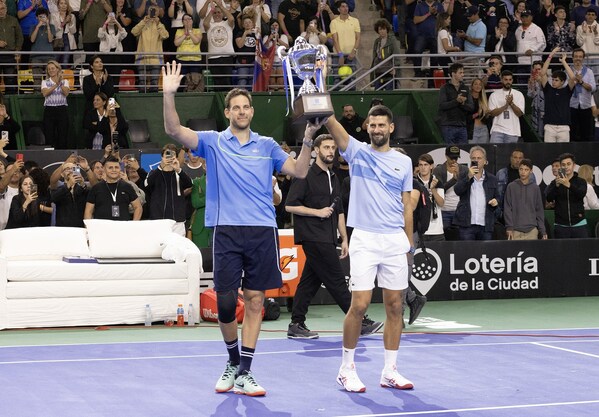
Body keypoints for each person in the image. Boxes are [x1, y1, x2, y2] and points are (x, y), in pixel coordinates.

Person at [162, 61, 314, 396]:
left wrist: (307, 139)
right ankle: (232, 360)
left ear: (251, 111)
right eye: (236, 107)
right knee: (228, 303)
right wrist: (168, 94)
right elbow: (174, 130)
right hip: (226, 230)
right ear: (228, 112)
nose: (241, 111)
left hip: (262, 231)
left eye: (246, 107)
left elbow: (300, 171)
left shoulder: (268, 146)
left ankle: (245, 371)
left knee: (257, 300)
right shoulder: (213, 142)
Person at [322, 104, 415, 393]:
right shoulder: (357, 151)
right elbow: (331, 122)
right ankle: (346, 369)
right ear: (367, 127)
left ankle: (390, 370)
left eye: (381, 125)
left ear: (391, 128)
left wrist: (408, 244)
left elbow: (406, 206)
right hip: (364, 238)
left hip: (394, 240)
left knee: (395, 306)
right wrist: (317, 89)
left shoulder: (404, 162)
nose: (376, 129)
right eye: (372, 125)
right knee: (359, 305)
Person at [285, 133, 383, 340]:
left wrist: (344, 237)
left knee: (309, 282)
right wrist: (317, 212)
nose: (330, 151)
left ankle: (296, 323)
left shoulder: (333, 177)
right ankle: (360, 321)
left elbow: (338, 209)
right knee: (337, 280)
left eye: (333, 148)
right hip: (313, 236)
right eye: (326, 147)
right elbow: (290, 205)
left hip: (328, 237)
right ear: (316, 151)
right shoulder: (304, 175)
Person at [453, 145, 499, 241]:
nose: (476, 160)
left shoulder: (492, 179)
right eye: (474, 158)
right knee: (467, 253)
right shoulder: (464, 175)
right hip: (467, 224)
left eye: (479, 158)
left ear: (485, 161)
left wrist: (496, 201)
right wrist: (468, 177)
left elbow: (498, 198)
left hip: (486, 224)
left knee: (485, 254)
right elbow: (457, 191)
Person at [145, 144, 193, 236]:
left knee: (178, 248)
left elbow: (189, 184)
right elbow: (146, 185)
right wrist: (160, 168)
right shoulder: (154, 173)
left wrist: (178, 169)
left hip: (177, 221)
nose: (169, 157)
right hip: (158, 220)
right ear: (162, 157)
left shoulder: (179, 173)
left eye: (172, 154)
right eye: (167, 154)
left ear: (176, 157)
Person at [84, 156, 143, 220]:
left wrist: (133, 225)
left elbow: (138, 207)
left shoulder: (127, 186)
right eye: (110, 168)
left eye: (116, 167)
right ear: (104, 169)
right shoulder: (96, 188)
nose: (114, 170)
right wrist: (89, 227)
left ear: (120, 169)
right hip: (102, 228)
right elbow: (88, 211)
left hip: (123, 228)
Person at [545, 153, 589, 238]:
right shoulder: (555, 182)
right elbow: (549, 198)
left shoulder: (581, 181)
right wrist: (556, 187)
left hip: (579, 224)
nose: (566, 167)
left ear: (574, 165)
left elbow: (581, 194)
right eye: (563, 165)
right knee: (562, 251)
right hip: (561, 225)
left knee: (582, 251)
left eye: (569, 164)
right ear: (561, 167)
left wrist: (568, 185)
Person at [538, 48, 577, 142]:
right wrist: (551, 55)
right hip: (549, 126)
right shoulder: (548, 89)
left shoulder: (567, 90)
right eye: (553, 79)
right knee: (549, 153)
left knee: (564, 153)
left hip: (564, 127)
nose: (554, 82)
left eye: (556, 80)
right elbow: (542, 73)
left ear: (562, 82)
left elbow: (572, 77)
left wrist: (564, 61)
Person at [504, 158, 547, 240]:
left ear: (531, 171)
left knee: (532, 253)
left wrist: (542, 230)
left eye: (526, 170)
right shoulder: (511, 186)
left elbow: (539, 211)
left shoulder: (535, 188)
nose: (523, 172)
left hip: (532, 231)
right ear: (518, 170)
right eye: (521, 169)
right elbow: (507, 208)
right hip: (515, 231)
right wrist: (509, 227)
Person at [433, 145, 468, 239]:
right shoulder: (438, 170)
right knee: (444, 237)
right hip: (444, 210)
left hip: (459, 210)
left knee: (461, 238)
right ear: (446, 156)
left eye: (456, 158)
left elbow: (465, 189)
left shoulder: (464, 170)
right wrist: (454, 179)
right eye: (451, 158)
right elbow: (438, 190)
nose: (454, 160)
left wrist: (459, 177)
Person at [132, 7, 168, 92]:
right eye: (151, 11)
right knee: (142, 84)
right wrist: (143, 21)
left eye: (155, 11)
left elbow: (165, 36)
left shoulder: (160, 25)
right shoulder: (143, 23)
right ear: (147, 12)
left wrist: (158, 24)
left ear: (158, 13)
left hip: (156, 59)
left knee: (154, 84)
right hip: (142, 58)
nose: (153, 13)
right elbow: (134, 32)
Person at [437, 62, 474, 145]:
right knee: (450, 152)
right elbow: (442, 105)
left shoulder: (465, 88)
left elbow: (471, 107)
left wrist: (462, 103)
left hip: (462, 126)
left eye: (463, 72)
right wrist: (456, 101)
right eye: (460, 73)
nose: (463, 75)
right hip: (448, 126)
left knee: (463, 152)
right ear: (453, 74)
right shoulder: (444, 88)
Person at [203, 0, 235, 91]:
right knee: (217, 82)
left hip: (227, 57)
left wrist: (221, 6)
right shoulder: (210, 25)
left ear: (222, 14)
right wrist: (211, 10)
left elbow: (232, 18)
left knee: (227, 81)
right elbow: (205, 23)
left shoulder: (227, 24)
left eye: (219, 13)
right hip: (213, 58)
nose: (217, 14)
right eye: (215, 13)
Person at [487, 70, 525, 143]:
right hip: (497, 130)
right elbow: (492, 113)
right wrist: (506, 106)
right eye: (506, 79)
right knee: (495, 153)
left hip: (513, 131)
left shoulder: (519, 94)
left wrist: (511, 104)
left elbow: (520, 114)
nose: (508, 82)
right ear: (501, 80)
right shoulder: (494, 95)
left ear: (512, 80)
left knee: (510, 154)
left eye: (510, 80)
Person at [415, 153, 445, 240]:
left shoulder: (437, 182)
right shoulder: (414, 182)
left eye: (426, 165)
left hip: (436, 230)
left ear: (431, 166)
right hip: (419, 228)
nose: (423, 167)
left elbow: (441, 203)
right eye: (420, 165)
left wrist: (433, 189)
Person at [569, 48, 596, 142]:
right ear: (572, 58)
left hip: (586, 106)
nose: (578, 59)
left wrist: (581, 82)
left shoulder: (589, 72)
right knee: (572, 134)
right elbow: (565, 88)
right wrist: (573, 80)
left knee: (586, 135)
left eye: (580, 57)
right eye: (576, 56)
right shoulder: (568, 71)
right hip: (572, 106)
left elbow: (593, 88)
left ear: (583, 58)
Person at [330, 1, 361, 85]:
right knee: (337, 81)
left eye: (346, 6)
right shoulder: (334, 22)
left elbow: (358, 38)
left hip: (351, 54)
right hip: (338, 55)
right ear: (338, 9)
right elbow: (335, 40)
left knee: (352, 81)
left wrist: (354, 51)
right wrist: (340, 54)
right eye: (343, 7)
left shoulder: (355, 21)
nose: (345, 8)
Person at [41, 60, 70, 149]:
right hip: (49, 110)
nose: (51, 70)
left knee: (63, 134)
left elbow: (66, 93)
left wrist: (59, 83)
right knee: (49, 135)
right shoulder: (45, 82)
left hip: (62, 110)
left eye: (53, 68)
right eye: (49, 69)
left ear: (58, 69)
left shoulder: (65, 81)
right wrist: (55, 85)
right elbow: (45, 93)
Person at [413, 0, 443, 78]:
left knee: (435, 54)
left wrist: (436, 13)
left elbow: (443, 21)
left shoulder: (439, 5)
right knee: (417, 51)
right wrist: (429, 14)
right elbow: (415, 20)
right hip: (422, 35)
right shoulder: (419, 5)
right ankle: (417, 73)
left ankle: (433, 75)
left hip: (435, 35)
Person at [515, 10, 546, 83]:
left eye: (527, 16)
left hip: (533, 61)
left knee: (534, 83)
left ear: (531, 17)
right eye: (523, 17)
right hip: (521, 62)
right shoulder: (518, 30)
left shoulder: (537, 29)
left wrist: (532, 49)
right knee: (521, 82)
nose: (524, 19)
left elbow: (542, 43)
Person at [174, 13, 202, 91]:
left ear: (192, 21)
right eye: (185, 20)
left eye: (189, 19)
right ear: (182, 22)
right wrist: (184, 35)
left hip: (195, 60)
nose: (187, 21)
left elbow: (196, 41)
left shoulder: (197, 31)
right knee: (182, 82)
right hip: (181, 59)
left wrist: (190, 31)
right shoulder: (179, 31)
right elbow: (176, 43)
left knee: (194, 82)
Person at [0, 2, 24, 95]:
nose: (0, 11)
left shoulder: (13, 20)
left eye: (2, 9)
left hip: (10, 54)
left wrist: (17, 51)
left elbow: (20, 37)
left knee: (11, 79)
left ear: (6, 9)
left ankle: (11, 100)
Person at [370, 18, 399, 90]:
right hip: (378, 72)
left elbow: (396, 55)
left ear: (387, 29)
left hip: (389, 72)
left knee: (389, 93)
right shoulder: (377, 41)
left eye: (383, 29)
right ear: (377, 31)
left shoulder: (392, 41)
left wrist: (395, 68)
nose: (382, 31)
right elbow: (374, 57)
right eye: (380, 29)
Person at [51, 0, 77, 67]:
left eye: (65, 3)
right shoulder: (54, 15)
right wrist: (64, 22)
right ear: (58, 5)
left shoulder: (72, 16)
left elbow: (73, 31)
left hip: (67, 39)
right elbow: (54, 30)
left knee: (65, 61)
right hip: (58, 39)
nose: (63, 5)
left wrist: (70, 22)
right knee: (55, 60)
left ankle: (64, 76)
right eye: (61, 3)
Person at [469, 78, 489, 143]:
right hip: (472, 129)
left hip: (483, 128)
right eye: (476, 84)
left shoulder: (484, 99)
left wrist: (487, 113)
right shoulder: (468, 99)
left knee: (484, 151)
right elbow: (466, 117)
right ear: (472, 86)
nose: (478, 86)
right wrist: (478, 113)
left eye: (480, 84)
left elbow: (487, 117)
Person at [528, 60, 544, 138]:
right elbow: (530, 95)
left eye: (539, 69)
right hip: (535, 108)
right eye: (535, 69)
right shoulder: (532, 80)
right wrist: (532, 85)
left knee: (542, 131)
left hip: (544, 109)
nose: (537, 71)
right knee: (536, 131)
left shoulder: (549, 79)